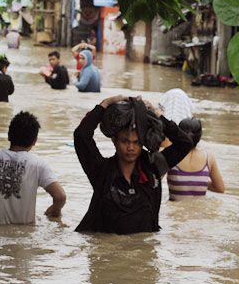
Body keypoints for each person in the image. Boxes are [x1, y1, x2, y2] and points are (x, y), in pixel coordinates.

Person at [74, 95, 193, 234]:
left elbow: (185, 144)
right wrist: (105, 104)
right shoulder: (102, 171)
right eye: (125, 141)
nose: (131, 147)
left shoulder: (153, 169)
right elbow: (81, 135)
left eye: (136, 142)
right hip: (106, 250)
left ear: (142, 142)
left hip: (143, 249)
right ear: (114, 140)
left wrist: (156, 116)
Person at [0, 111, 66, 224]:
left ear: (8, 136)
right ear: (34, 141)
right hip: (24, 235)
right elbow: (60, 196)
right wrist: (55, 208)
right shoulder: (38, 164)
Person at [167, 118, 225, 200]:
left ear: (178, 135)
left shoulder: (170, 156)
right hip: (200, 212)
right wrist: (201, 182)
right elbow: (220, 188)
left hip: (175, 210)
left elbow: (155, 182)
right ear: (200, 137)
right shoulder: (208, 158)